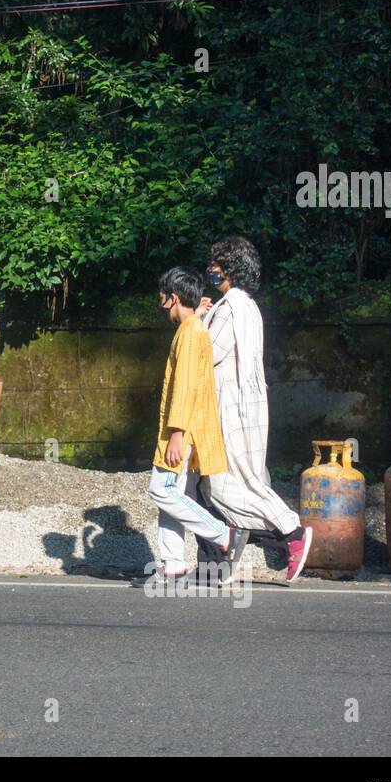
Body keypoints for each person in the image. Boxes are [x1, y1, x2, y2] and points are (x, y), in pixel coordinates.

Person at [195, 236, 313, 582]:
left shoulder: (230, 308)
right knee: (228, 483)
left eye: (216, 264)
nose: (211, 270)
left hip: (229, 407)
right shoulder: (247, 306)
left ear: (230, 269)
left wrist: (197, 319)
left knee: (227, 485)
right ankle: (227, 559)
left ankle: (291, 532)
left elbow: (206, 353)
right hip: (246, 405)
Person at [146, 266, 235, 580]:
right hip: (185, 427)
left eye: (162, 299)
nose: (161, 306)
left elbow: (185, 386)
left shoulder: (190, 332)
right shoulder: (193, 328)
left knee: (162, 490)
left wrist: (177, 434)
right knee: (175, 492)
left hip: (182, 429)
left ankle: (224, 535)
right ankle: (171, 562)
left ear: (172, 298)